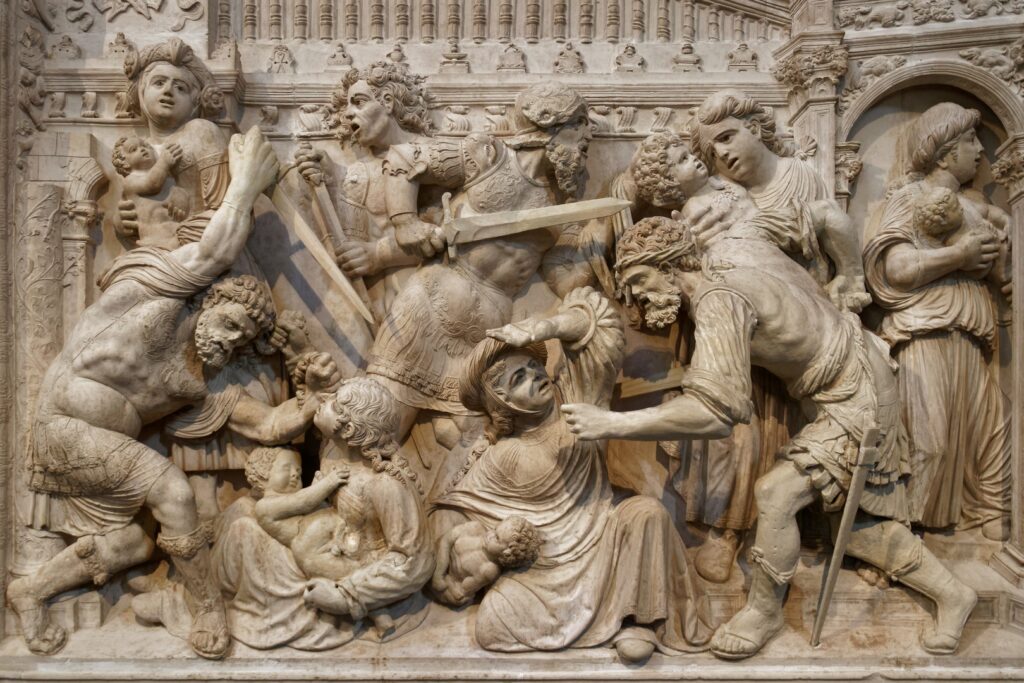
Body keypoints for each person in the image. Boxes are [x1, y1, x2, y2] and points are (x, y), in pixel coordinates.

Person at [561, 217, 978, 660]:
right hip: (856, 368)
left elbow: (716, 413)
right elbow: (816, 225)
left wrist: (610, 423)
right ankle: (954, 595)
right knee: (853, 529)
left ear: (669, 266)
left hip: (854, 396)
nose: (636, 297)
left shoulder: (718, 300)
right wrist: (846, 276)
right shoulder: (732, 247)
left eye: (639, 280)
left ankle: (763, 612)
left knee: (776, 495)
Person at [4, 128, 340, 660]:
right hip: (64, 424)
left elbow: (264, 423)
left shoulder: (193, 381)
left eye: (241, 340)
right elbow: (214, 251)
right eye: (229, 324)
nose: (229, 341)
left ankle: (31, 590)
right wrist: (245, 183)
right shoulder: (150, 293)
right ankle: (207, 609)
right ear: (208, 301)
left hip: (102, 447)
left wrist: (317, 398)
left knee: (138, 543)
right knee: (174, 495)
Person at [432, 287, 712, 664]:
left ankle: (638, 620)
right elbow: (455, 508)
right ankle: (596, 616)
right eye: (519, 378)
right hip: (544, 569)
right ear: (504, 402)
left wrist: (544, 328)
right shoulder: (499, 457)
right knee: (492, 621)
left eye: (535, 366)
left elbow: (601, 324)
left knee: (646, 512)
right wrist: (473, 549)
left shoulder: (579, 405)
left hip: (604, 545)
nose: (536, 374)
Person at [864, 102, 1011, 539]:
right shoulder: (910, 198)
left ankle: (987, 515)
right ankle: (897, 536)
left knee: (993, 434)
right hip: (924, 330)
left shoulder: (976, 205)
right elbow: (897, 268)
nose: (981, 151)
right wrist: (959, 256)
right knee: (928, 443)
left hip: (971, 334)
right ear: (945, 153)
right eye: (970, 141)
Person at [294, 61, 435, 321]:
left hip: (422, 300)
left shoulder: (429, 155)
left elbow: (446, 231)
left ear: (388, 102)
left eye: (358, 102)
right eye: (347, 106)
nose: (348, 114)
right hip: (370, 305)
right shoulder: (359, 170)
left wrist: (378, 255)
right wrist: (329, 176)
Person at [431, 516, 541, 607]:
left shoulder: (489, 570)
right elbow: (446, 540)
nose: (490, 535)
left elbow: (462, 590)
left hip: (449, 581)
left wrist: (445, 583)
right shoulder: (475, 528)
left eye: (497, 538)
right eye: (495, 529)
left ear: (506, 553)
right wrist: (439, 573)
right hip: (438, 560)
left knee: (458, 599)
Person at [111, 136, 189, 250]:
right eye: (134, 149)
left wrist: (181, 201)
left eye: (145, 146)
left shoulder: (166, 179)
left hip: (176, 233)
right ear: (125, 163)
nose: (142, 149)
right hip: (154, 239)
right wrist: (164, 161)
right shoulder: (131, 180)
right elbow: (152, 184)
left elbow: (181, 193)